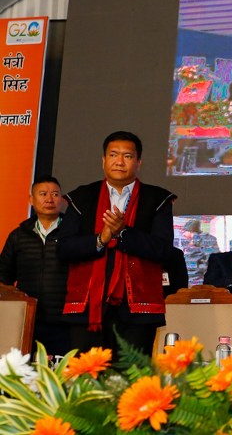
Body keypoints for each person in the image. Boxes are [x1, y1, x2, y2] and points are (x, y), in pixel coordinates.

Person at [58, 131, 176, 355]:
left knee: (130, 384)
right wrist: (101, 239)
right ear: (103, 160)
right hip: (87, 308)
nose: (119, 161)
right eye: (113, 155)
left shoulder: (157, 199)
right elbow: (64, 249)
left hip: (136, 312)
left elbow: (163, 250)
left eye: (127, 156)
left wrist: (123, 233)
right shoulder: (81, 197)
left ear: (138, 162)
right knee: (86, 381)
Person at [0, 175, 71, 356]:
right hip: (27, 321)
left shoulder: (73, 234)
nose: (49, 199)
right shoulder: (18, 235)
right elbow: (3, 277)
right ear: (31, 200)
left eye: (55, 194)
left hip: (65, 321)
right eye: (43, 194)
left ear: (62, 200)